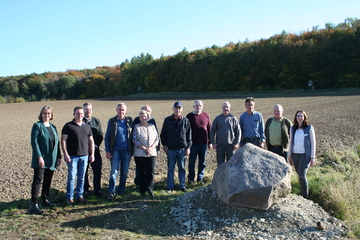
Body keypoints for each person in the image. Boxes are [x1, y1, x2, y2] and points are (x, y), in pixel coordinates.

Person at [29, 106, 61, 214]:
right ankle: (34, 204)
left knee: (48, 179)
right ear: (41, 114)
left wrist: (59, 156)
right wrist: (39, 157)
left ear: (51, 115)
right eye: (44, 113)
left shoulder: (53, 127)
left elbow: (57, 143)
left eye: (48, 113)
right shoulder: (37, 126)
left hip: (51, 158)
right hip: (41, 159)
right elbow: (34, 142)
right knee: (38, 181)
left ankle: (45, 199)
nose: (46, 115)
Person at [61, 107, 95, 205]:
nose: (79, 115)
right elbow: (63, 140)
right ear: (74, 114)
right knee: (71, 177)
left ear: (83, 114)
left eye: (81, 113)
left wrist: (92, 154)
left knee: (82, 177)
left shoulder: (87, 127)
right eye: (77, 113)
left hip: (84, 156)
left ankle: (80, 196)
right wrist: (65, 154)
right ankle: (69, 198)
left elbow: (91, 141)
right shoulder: (68, 126)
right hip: (72, 156)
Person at [160, 101, 192, 193]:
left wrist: (188, 147)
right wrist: (165, 145)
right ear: (173, 109)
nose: (177, 110)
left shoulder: (186, 121)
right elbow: (163, 134)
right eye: (176, 108)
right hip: (170, 149)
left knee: (182, 168)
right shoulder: (167, 120)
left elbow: (189, 135)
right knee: (170, 169)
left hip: (182, 149)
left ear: (181, 109)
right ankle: (170, 186)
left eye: (179, 108)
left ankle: (182, 185)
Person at [105, 103, 133, 201]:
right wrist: (108, 151)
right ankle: (111, 192)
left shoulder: (130, 121)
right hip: (115, 150)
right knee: (114, 172)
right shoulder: (112, 121)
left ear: (126, 111)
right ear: (116, 110)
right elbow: (107, 137)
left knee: (124, 173)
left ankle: (121, 191)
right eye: (119, 109)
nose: (121, 111)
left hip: (127, 150)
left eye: (123, 110)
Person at [288, 110, 316, 199]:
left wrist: (312, 157)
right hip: (295, 155)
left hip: (305, 155)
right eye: (298, 116)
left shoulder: (309, 128)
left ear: (304, 117)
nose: (299, 118)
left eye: (301, 116)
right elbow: (291, 142)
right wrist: (290, 155)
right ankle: (302, 193)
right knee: (299, 175)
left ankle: (305, 196)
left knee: (302, 174)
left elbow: (313, 142)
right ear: (296, 118)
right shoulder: (293, 128)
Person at [132, 110, 159, 196]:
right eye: (141, 117)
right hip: (140, 153)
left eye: (145, 116)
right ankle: (142, 189)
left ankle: (150, 188)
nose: (143, 118)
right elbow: (134, 140)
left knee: (151, 171)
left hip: (151, 153)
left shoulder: (152, 126)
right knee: (141, 171)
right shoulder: (136, 127)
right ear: (139, 118)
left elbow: (157, 138)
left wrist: (151, 147)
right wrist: (144, 148)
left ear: (148, 118)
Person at [186, 100, 212, 184]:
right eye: (196, 105)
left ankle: (200, 178)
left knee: (202, 162)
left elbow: (209, 129)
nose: (198, 107)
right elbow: (186, 131)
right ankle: (191, 179)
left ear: (202, 107)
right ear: (193, 106)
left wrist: (210, 142)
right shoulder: (189, 116)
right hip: (192, 144)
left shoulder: (206, 115)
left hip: (203, 143)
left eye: (200, 105)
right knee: (191, 162)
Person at [210, 101, 241, 166]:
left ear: (230, 108)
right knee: (220, 164)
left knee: (231, 164)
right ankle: (220, 176)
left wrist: (237, 143)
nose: (225, 108)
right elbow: (212, 131)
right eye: (224, 107)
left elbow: (238, 132)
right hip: (220, 146)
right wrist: (213, 142)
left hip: (231, 146)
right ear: (222, 108)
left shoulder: (233, 119)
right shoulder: (217, 119)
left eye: (227, 107)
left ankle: (230, 176)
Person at [83, 102, 104, 196]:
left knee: (97, 170)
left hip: (95, 151)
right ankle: (85, 190)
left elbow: (100, 135)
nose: (88, 111)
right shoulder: (79, 121)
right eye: (86, 109)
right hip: (83, 151)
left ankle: (97, 190)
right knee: (84, 171)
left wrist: (95, 146)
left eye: (90, 109)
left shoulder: (96, 121)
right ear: (83, 110)